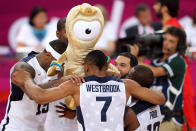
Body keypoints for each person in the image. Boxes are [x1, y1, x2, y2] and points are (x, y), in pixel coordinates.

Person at [12, 50, 165, 131]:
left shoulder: (76, 85)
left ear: (85, 67)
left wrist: (26, 79)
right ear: (107, 67)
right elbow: (160, 99)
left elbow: (40, 97)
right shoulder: (126, 85)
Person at [0, 40, 68, 131]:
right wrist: (59, 82)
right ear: (48, 55)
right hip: (16, 127)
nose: (61, 68)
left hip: (39, 127)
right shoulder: (22, 68)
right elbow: (37, 96)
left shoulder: (53, 65)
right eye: (60, 64)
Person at [139, 27, 187, 131]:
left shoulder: (179, 61)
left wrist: (134, 59)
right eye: (165, 39)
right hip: (155, 117)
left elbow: (156, 72)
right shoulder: (155, 61)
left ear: (178, 46)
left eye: (171, 41)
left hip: (170, 119)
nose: (166, 43)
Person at [44, 17, 78, 131]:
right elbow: (40, 84)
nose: (72, 36)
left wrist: (76, 112)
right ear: (58, 34)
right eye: (67, 32)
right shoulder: (48, 54)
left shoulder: (83, 57)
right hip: (52, 112)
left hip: (74, 118)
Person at [125, 65, 163, 131]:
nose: (125, 77)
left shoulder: (130, 112)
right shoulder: (155, 104)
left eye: (128, 76)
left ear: (134, 83)